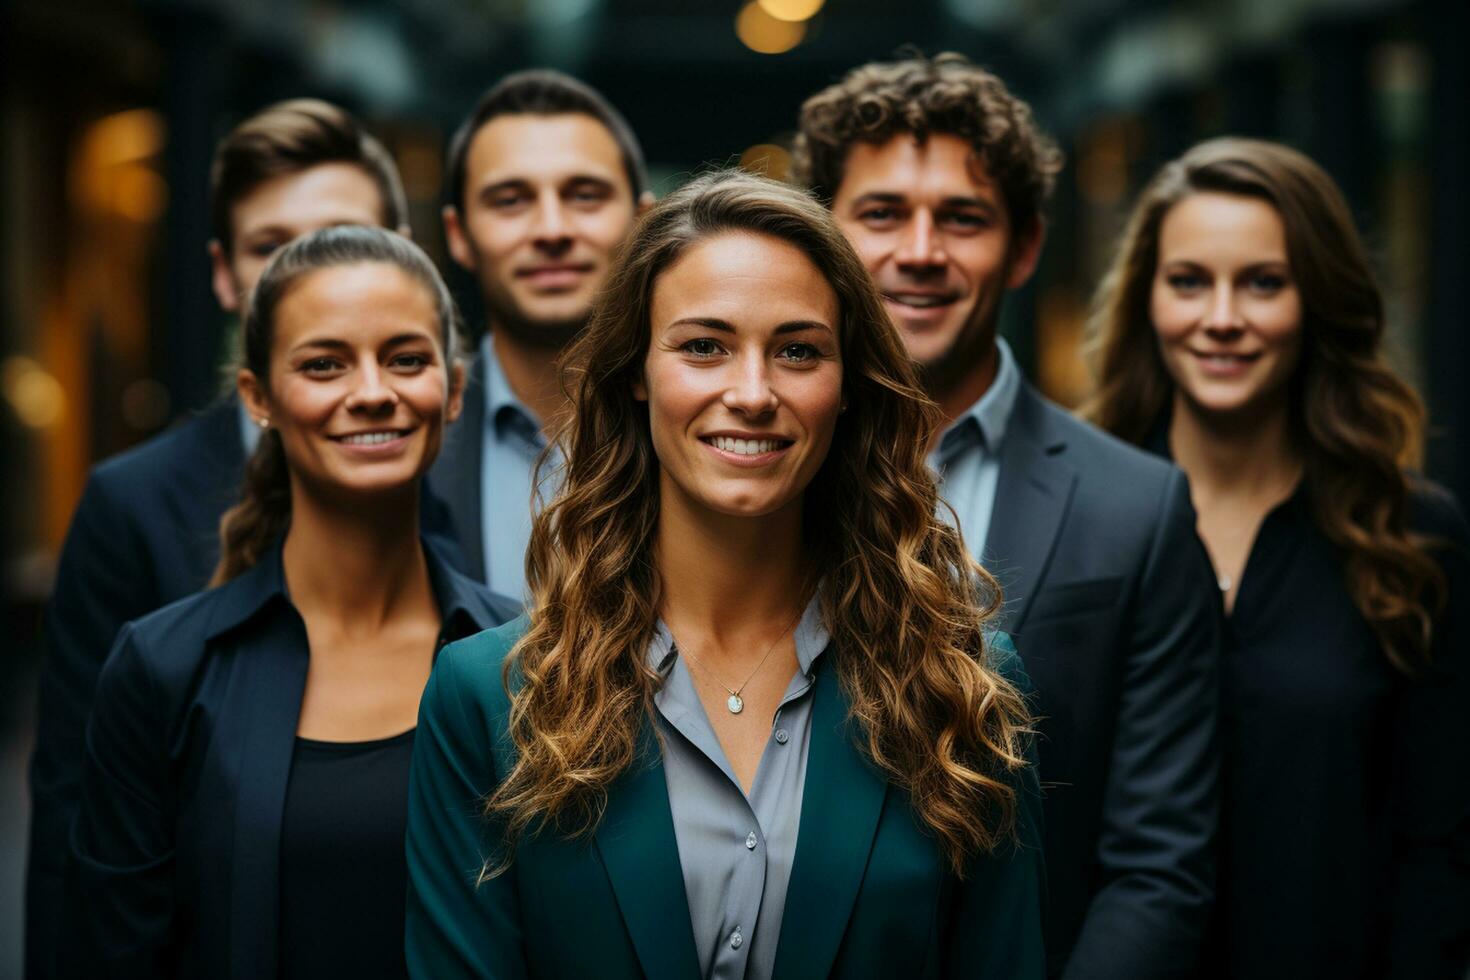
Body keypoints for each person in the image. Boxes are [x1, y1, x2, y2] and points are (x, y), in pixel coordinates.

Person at [405, 171, 1045, 979]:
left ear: (847, 387)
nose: (752, 393)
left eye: (798, 351)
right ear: (636, 372)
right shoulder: (490, 696)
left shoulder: (963, 688)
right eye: (704, 346)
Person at [795, 53, 1222, 977]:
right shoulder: (746, 467)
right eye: (881, 214)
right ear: (823, 238)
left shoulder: (1137, 508)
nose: (920, 249)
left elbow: (1159, 867)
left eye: (962, 218)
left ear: (1024, 248)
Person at [61, 226, 520, 979]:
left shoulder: (531, 656)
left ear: (456, 388)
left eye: (406, 359)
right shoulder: (164, 668)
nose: (372, 392)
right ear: (259, 397)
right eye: (324, 364)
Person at [25, 98, 411, 978]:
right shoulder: (133, 505)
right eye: (273, 246)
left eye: (345, 239)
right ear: (224, 277)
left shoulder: (436, 479)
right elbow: (72, 825)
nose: (313, 273)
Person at [1084, 137, 1470, 979]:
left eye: (1263, 282)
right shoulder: (1080, 519)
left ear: (1318, 300)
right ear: (1148, 299)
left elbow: (1438, 853)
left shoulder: (1413, 540)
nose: (1223, 316)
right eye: (1189, 281)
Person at [429, 69, 653, 596]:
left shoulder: (705, 422)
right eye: (510, 200)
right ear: (459, 236)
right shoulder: (412, 435)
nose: (552, 229)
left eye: (585, 195)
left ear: (643, 222)